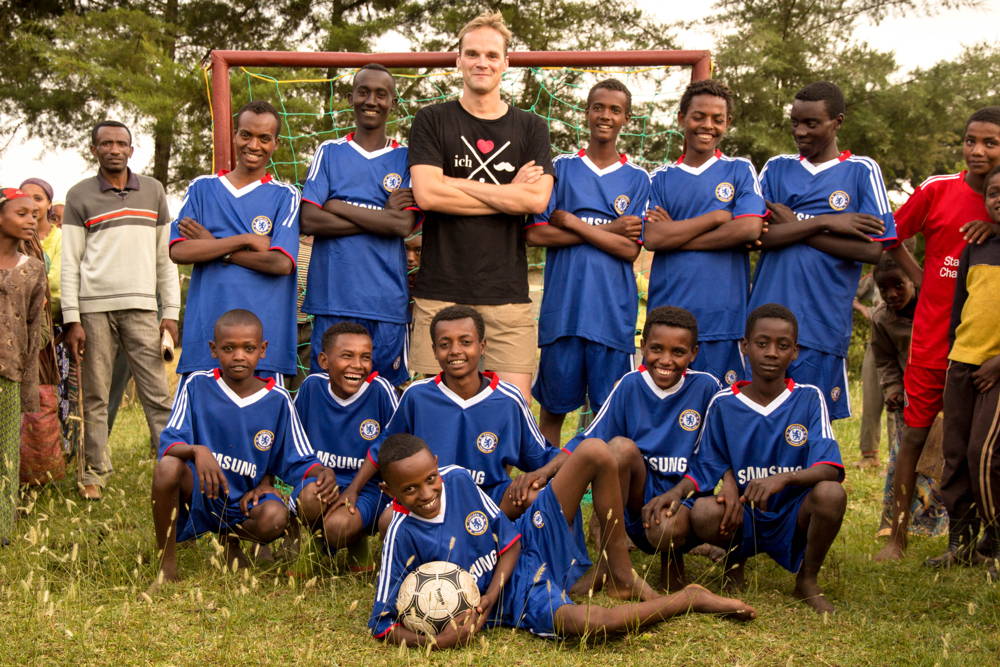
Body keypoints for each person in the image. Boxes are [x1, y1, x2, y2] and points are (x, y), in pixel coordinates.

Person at [368, 433, 754, 647]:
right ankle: (689, 599)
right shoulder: (402, 534)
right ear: (388, 490)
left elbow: (510, 541)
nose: (426, 492)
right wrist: (440, 642)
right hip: (518, 596)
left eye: (429, 478)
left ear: (437, 464)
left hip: (528, 550)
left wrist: (488, 591)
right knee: (594, 626)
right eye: (410, 488)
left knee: (595, 451)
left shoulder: (457, 479)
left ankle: (621, 577)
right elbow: (381, 625)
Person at [656, 304, 847, 613]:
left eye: (782, 345)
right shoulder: (723, 403)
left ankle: (807, 580)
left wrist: (784, 478)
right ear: (745, 347)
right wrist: (726, 482)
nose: (771, 352)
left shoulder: (809, 397)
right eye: (762, 343)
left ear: (794, 352)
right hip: (742, 513)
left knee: (831, 494)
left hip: (790, 513)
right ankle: (733, 560)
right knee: (705, 512)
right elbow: (707, 461)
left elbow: (830, 467)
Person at [408, 11, 555, 403]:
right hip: (440, 291)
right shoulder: (431, 120)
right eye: (472, 53)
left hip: (507, 294)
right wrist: (508, 197)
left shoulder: (531, 127)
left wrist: (452, 183)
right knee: (433, 415)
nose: (482, 62)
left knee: (512, 413)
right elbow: (427, 196)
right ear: (458, 59)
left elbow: (536, 199)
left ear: (506, 62)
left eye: (492, 55)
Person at [876, 107, 1000, 563]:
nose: (978, 151)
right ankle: (898, 536)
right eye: (971, 140)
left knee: (980, 448)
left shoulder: (998, 200)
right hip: (933, 340)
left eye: (991, 143)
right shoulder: (937, 189)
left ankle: (985, 542)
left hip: (988, 348)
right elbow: (890, 235)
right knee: (917, 437)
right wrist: (924, 276)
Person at [150, 309, 335, 586]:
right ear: (214, 350)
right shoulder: (196, 385)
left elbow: (298, 458)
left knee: (274, 517)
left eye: (248, 348)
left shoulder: (278, 399)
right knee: (167, 468)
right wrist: (196, 451)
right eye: (229, 348)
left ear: (262, 350)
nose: (239, 356)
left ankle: (232, 540)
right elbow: (169, 442)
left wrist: (321, 470)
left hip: (246, 502)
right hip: (203, 493)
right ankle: (167, 564)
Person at [748, 81, 896, 420]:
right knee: (757, 420)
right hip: (765, 320)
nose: (800, 131)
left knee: (809, 427)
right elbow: (761, 236)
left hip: (820, 323)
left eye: (811, 123)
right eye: (795, 123)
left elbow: (874, 252)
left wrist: (797, 225)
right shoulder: (776, 167)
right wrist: (826, 223)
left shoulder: (861, 170)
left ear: (837, 122)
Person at [341, 306, 562, 523]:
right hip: (431, 498)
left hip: (490, 498)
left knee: (536, 498)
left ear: (482, 346)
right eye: (445, 345)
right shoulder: (417, 396)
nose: (455, 350)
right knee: (389, 519)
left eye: (465, 342)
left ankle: (536, 556)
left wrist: (536, 475)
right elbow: (384, 446)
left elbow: (545, 457)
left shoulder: (508, 399)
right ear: (435, 351)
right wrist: (354, 489)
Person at [524, 78, 647, 447]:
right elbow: (536, 234)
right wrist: (610, 230)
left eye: (614, 110)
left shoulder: (639, 178)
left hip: (611, 316)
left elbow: (630, 251)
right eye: (598, 107)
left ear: (626, 118)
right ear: (586, 112)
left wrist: (574, 221)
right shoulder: (560, 168)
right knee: (553, 413)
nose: (605, 116)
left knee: (605, 419)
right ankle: (548, 492)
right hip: (564, 314)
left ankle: (602, 499)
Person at [62, 120, 180, 500]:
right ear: (94, 149)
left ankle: (172, 467)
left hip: (143, 308)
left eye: (121, 143)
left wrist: (171, 311)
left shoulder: (153, 191)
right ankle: (94, 473)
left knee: (158, 394)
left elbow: (167, 257)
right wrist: (71, 318)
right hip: (93, 310)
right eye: (106, 143)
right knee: (95, 395)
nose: (114, 149)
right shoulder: (79, 196)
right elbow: (70, 263)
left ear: (131, 149)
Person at [566, 306, 721, 591]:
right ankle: (608, 564)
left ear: (694, 353)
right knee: (620, 448)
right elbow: (591, 437)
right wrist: (548, 468)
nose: (666, 360)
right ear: (642, 346)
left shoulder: (707, 388)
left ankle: (672, 562)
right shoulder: (630, 384)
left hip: (682, 501)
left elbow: (713, 458)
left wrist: (676, 493)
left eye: (678, 352)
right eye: (657, 349)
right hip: (636, 502)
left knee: (667, 529)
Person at [299, 64, 418, 387]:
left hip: (386, 303)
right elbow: (309, 219)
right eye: (363, 91)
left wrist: (337, 206)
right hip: (333, 298)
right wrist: (382, 216)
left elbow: (403, 225)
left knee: (385, 395)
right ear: (351, 97)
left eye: (381, 94)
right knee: (328, 392)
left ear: (392, 102)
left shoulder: (406, 157)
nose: (371, 100)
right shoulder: (330, 152)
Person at [643, 79, 766, 385]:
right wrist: (716, 217)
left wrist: (677, 235)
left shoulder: (739, 169)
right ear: (682, 118)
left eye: (717, 119)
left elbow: (749, 227)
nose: (707, 125)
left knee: (723, 415)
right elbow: (653, 238)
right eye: (699, 116)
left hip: (724, 321)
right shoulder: (658, 178)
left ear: (728, 123)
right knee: (667, 414)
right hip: (668, 325)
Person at [169, 100, 299, 384]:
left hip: (264, 343)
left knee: (260, 427)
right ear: (235, 136)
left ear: (275, 144)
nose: (254, 145)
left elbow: (279, 263)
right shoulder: (202, 188)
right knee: (202, 425)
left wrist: (212, 245)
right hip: (208, 339)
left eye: (264, 138)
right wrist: (244, 239)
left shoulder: (286, 196)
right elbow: (179, 250)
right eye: (246, 135)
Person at [931, 164, 1000, 572]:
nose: (998, 199)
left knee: (985, 453)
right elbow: (960, 309)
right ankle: (962, 541)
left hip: (996, 370)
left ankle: (994, 543)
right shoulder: (976, 245)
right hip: (963, 363)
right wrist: (954, 356)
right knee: (954, 455)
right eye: (993, 192)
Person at [293, 322, 398, 564]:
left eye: (365, 357)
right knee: (309, 498)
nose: (357, 365)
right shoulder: (311, 387)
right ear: (324, 360)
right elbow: (293, 443)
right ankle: (317, 543)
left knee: (339, 527)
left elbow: (390, 445)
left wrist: (354, 489)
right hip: (323, 479)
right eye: (347, 356)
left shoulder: (381, 391)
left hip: (366, 487)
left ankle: (354, 538)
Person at [869, 254, 946, 539]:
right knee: (902, 457)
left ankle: (931, 524)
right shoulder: (881, 319)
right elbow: (885, 360)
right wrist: (892, 389)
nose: (892, 294)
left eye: (898, 285)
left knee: (938, 458)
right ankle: (893, 522)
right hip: (908, 395)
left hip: (943, 391)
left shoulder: (936, 306)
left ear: (913, 280)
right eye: (884, 288)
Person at [0, 188, 46, 542]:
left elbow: (34, 329)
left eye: (34, 214)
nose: (31, 220)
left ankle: (2, 527)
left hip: (10, 373)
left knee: (6, 454)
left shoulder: (33, 269)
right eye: (21, 213)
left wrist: (28, 381)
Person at [852, 270, 885, 467]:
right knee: (871, 398)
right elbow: (849, 293)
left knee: (897, 403)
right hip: (877, 340)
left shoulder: (915, 274)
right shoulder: (874, 276)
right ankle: (869, 455)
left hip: (906, 342)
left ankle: (896, 460)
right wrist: (864, 309)